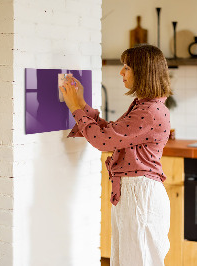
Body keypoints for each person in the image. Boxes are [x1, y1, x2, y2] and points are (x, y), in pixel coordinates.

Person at [60, 44, 172, 266]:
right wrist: (81, 103)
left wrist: (75, 108)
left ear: (143, 72)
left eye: (127, 67)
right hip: (135, 193)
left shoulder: (149, 111)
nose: (121, 72)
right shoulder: (145, 106)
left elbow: (103, 141)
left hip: (140, 195)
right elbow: (111, 133)